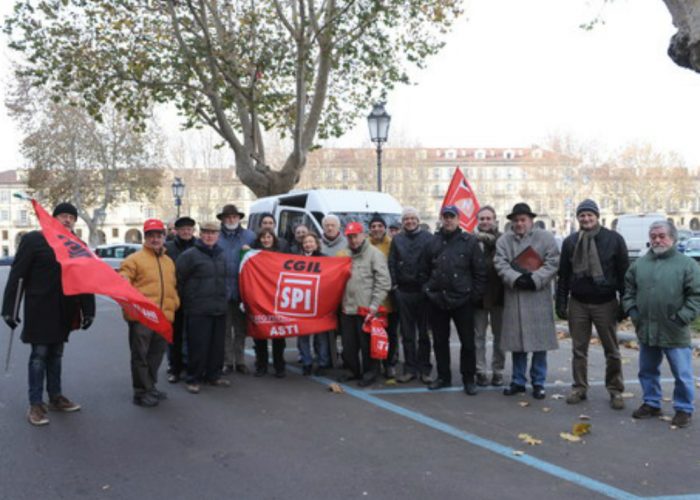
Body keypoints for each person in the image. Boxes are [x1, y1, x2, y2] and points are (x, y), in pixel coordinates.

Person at [2, 202, 95, 426]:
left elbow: (86, 278)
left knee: (56, 355)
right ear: (53, 219)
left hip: (65, 310)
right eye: (63, 216)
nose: (67, 220)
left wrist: (88, 309)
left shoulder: (77, 244)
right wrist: (9, 309)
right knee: (39, 356)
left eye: (71, 217)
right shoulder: (34, 240)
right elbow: (18, 275)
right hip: (40, 309)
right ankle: (35, 404)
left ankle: (55, 397)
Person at [623, 220, 700, 428]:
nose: (657, 240)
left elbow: (696, 296)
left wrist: (682, 317)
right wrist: (633, 312)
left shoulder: (687, 265)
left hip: (674, 329)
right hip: (646, 328)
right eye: (653, 236)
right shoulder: (639, 265)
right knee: (647, 370)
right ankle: (651, 403)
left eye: (661, 235)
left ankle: (684, 409)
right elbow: (628, 291)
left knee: (682, 374)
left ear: (672, 238)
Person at [556, 199, 629, 410]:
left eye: (590, 214)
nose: (586, 218)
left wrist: (625, 303)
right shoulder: (570, 242)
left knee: (612, 350)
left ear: (597, 216)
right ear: (578, 218)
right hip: (578, 302)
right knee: (579, 350)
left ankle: (616, 390)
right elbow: (564, 276)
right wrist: (561, 302)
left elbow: (624, 274)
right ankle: (579, 387)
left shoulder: (614, 239)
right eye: (582, 215)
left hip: (605, 303)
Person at [494, 203, 560, 400]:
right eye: (516, 220)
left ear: (531, 220)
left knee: (539, 344)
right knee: (518, 344)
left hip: (538, 296)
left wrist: (535, 278)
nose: (519, 223)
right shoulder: (504, 240)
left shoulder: (546, 238)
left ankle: (538, 382)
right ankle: (518, 381)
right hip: (515, 296)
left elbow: (553, 261)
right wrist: (515, 278)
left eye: (523, 220)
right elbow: (499, 262)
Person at [424, 205, 486, 395]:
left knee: (468, 343)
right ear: (441, 219)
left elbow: (479, 272)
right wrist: (428, 291)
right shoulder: (433, 242)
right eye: (445, 217)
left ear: (459, 219)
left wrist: (473, 296)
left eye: (452, 217)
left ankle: (469, 379)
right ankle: (443, 377)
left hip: (463, 300)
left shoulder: (470, 241)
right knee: (440, 342)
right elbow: (425, 270)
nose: (448, 220)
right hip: (438, 300)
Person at [119, 219, 180, 407]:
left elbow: (172, 286)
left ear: (164, 236)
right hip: (142, 318)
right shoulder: (134, 260)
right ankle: (140, 392)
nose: (155, 239)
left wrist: (175, 303)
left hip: (163, 317)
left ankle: (150, 386)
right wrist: (135, 308)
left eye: (159, 235)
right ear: (145, 238)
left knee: (156, 355)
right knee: (140, 356)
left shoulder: (168, 261)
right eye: (151, 235)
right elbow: (123, 283)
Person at [176, 221, 230, 394]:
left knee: (216, 346)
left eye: (213, 233)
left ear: (218, 236)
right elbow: (179, 280)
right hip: (198, 309)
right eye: (206, 233)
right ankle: (193, 378)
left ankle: (214, 375)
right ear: (200, 234)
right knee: (198, 346)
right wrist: (189, 301)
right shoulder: (189, 255)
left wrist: (225, 298)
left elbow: (226, 278)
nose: (209, 236)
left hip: (219, 308)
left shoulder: (222, 254)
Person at [338, 222, 391, 387]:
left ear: (363, 235)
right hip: (348, 307)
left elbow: (383, 282)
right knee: (349, 344)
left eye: (355, 236)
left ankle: (370, 373)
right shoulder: (343, 255)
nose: (353, 240)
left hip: (366, 309)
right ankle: (352, 371)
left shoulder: (375, 254)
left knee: (367, 344)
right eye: (350, 237)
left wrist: (374, 306)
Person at [389, 206, 434, 384]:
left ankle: (425, 369)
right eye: (406, 218)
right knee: (407, 334)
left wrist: (429, 286)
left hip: (423, 292)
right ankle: (409, 369)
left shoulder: (428, 238)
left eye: (413, 218)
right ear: (402, 222)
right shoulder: (397, 239)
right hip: (404, 291)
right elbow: (391, 262)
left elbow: (434, 262)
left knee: (424, 334)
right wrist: (394, 285)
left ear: (418, 220)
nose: (410, 221)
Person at [216, 204, 256, 375]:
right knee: (224, 329)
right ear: (223, 219)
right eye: (228, 217)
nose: (231, 219)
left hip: (242, 289)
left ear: (239, 218)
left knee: (241, 329)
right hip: (222, 289)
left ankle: (239, 361)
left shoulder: (250, 236)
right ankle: (226, 361)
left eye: (234, 217)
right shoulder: (215, 237)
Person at [473, 206, 506, 387]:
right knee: (478, 337)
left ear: (494, 220)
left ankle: (498, 371)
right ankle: (480, 370)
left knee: (499, 337)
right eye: (482, 219)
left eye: (488, 218)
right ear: (478, 221)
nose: (485, 222)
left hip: (499, 295)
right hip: (478, 296)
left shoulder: (503, 239)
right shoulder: (471, 240)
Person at [164, 216, 197, 383]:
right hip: (175, 297)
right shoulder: (168, 248)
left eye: (189, 229)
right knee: (174, 336)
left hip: (195, 298)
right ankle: (175, 368)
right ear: (176, 231)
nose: (186, 231)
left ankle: (190, 366)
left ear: (193, 230)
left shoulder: (199, 246)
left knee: (193, 336)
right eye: (183, 229)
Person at [251, 228, 288, 377]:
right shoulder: (253, 256)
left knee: (278, 336)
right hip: (259, 299)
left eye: (269, 237)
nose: (266, 240)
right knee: (260, 335)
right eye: (263, 237)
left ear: (273, 239)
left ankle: (279, 366)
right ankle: (261, 365)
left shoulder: (280, 256)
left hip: (277, 299)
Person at [368, 212, 399, 380]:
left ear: (385, 228)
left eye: (380, 226)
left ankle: (389, 364)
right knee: (372, 333)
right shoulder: (364, 244)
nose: (376, 229)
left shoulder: (394, 244)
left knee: (391, 333)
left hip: (391, 298)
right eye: (373, 226)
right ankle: (374, 365)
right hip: (370, 297)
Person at [296, 232, 331, 375]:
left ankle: (323, 363)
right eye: (305, 242)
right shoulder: (296, 260)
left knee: (321, 336)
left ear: (316, 244)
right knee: (303, 335)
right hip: (302, 302)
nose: (308, 244)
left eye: (311, 242)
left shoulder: (325, 260)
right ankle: (306, 362)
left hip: (319, 303)